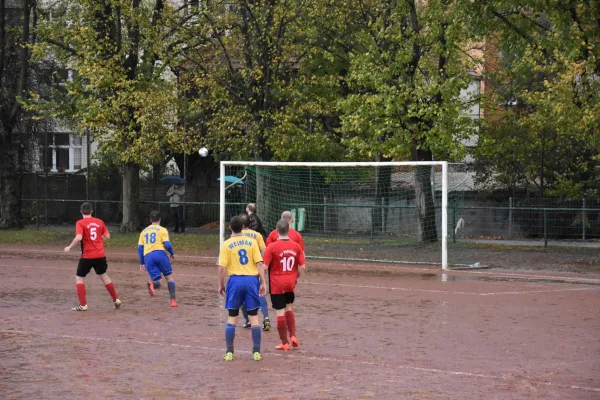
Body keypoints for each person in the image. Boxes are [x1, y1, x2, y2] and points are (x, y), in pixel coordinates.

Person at [218, 215, 267, 361]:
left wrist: (220, 284)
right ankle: (256, 352)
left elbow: (222, 267)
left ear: (230, 227)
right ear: (244, 228)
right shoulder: (252, 242)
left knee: (232, 317)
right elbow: (259, 264)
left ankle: (229, 352)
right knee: (254, 318)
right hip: (252, 281)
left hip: (235, 281)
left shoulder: (226, 244)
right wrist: (263, 282)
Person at [64, 202, 121, 311]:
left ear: (81, 212)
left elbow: (79, 237)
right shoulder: (99, 221)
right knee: (104, 276)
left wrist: (69, 247)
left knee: (79, 278)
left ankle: (83, 305)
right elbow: (107, 236)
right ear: (91, 211)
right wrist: (99, 239)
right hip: (100, 254)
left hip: (87, 255)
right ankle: (116, 299)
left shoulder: (80, 223)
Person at [263, 220, 306, 351]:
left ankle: (284, 342)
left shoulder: (272, 247)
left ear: (276, 231)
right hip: (290, 283)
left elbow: (264, 267)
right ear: (289, 230)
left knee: (279, 312)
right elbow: (303, 266)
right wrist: (295, 277)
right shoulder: (296, 246)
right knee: (289, 308)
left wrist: (261, 281)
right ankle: (293, 336)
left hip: (276, 284)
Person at [138, 211, 178, 307]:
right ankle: (173, 301)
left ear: (150, 219)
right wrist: (172, 253)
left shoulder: (143, 232)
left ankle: (151, 284)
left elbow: (140, 248)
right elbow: (167, 244)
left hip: (148, 257)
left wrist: (142, 263)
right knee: (169, 278)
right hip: (160, 255)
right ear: (160, 219)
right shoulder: (162, 230)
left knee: (158, 282)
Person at [239, 214, 270, 331]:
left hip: (242, 270)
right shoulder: (257, 235)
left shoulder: (236, 236)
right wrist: (262, 263)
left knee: (242, 295)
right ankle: (266, 318)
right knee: (260, 294)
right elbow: (264, 250)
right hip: (256, 269)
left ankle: (247, 320)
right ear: (250, 224)